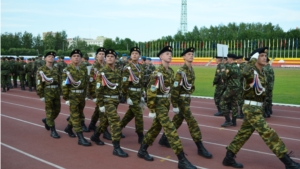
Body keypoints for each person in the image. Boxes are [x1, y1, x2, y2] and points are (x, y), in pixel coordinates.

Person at [222, 47, 300, 169]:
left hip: (257, 108)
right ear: (255, 58)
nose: (265, 57)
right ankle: (288, 162)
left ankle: (228, 157)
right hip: (251, 108)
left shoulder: (261, 72)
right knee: (269, 133)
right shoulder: (249, 70)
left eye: (265, 55)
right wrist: (252, 60)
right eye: (262, 55)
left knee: (243, 134)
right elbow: (244, 72)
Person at [137, 46, 197, 169]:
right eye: (167, 53)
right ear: (161, 57)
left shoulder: (170, 71)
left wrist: (174, 104)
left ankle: (142, 150)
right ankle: (182, 160)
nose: (169, 55)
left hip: (165, 104)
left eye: (170, 53)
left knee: (155, 129)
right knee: (170, 130)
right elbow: (151, 92)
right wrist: (152, 109)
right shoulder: (156, 73)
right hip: (158, 106)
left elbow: (171, 90)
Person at [158, 47, 212, 159]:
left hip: (187, 99)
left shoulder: (191, 69)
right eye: (188, 54)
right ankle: (200, 147)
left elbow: (190, 87)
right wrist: (175, 105)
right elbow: (175, 89)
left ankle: (164, 139)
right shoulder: (180, 72)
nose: (191, 55)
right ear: (183, 57)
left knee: (177, 121)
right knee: (192, 122)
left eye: (192, 54)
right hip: (181, 100)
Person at [91, 49, 129, 157]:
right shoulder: (102, 72)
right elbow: (98, 89)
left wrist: (122, 96)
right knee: (115, 121)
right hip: (107, 101)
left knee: (105, 121)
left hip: (115, 100)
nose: (109, 58)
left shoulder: (117, 71)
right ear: (105, 58)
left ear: (116, 59)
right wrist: (101, 104)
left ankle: (95, 136)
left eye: (112, 56)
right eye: (107, 56)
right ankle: (116, 148)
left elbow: (120, 84)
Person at [62, 49, 91, 146]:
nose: (76, 58)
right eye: (74, 56)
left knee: (79, 114)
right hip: (72, 95)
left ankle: (68, 128)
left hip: (81, 95)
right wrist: (67, 98)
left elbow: (86, 82)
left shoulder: (83, 68)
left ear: (81, 58)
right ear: (70, 58)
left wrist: (87, 94)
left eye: (78, 56)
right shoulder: (67, 70)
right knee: (75, 116)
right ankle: (80, 138)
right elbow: (65, 85)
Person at [120, 47, 145, 144]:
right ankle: (140, 135)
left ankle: (118, 128)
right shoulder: (127, 68)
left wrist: (142, 93)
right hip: (131, 93)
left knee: (130, 114)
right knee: (138, 114)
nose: (134, 55)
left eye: (136, 53)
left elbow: (142, 82)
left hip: (138, 94)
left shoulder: (141, 67)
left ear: (139, 55)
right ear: (130, 56)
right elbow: (124, 83)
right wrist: (127, 97)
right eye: (133, 53)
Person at [87, 47, 112, 140]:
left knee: (98, 110)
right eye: (100, 54)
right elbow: (91, 82)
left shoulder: (107, 65)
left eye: (103, 54)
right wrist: (93, 95)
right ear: (96, 56)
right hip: (98, 92)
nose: (101, 56)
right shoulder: (94, 67)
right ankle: (104, 131)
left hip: (106, 92)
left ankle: (92, 125)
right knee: (103, 112)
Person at [37, 51, 61, 139]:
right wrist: (41, 95)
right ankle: (53, 130)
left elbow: (59, 80)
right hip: (47, 92)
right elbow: (39, 83)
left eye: (52, 56)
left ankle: (47, 120)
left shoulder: (56, 69)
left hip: (56, 91)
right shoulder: (41, 70)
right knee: (50, 111)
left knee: (57, 110)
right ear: (45, 58)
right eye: (49, 56)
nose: (51, 58)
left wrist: (60, 91)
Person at [219, 54, 241, 127]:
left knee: (222, 102)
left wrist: (222, 71)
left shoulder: (230, 67)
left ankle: (228, 120)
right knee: (234, 103)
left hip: (231, 87)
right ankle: (234, 121)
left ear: (231, 59)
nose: (227, 59)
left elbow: (224, 76)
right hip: (237, 87)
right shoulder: (237, 67)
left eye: (228, 58)